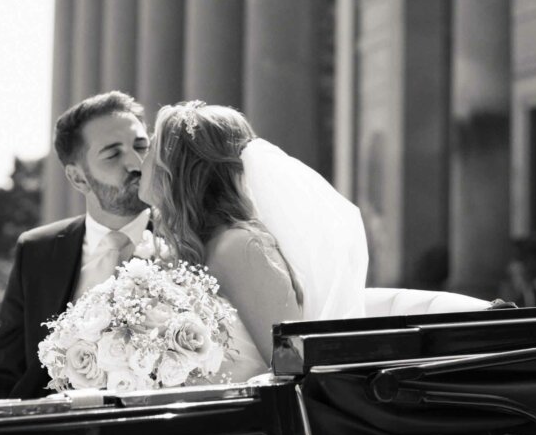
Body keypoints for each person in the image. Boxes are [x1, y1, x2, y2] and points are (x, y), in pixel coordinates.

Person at [138, 102, 368, 381]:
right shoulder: (190, 246)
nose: (141, 159)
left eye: (150, 147)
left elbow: (292, 363)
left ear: (176, 166)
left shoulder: (238, 247)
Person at [0, 91, 151, 401]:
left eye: (141, 146)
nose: (136, 164)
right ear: (78, 178)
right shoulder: (36, 251)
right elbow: (6, 371)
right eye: (112, 154)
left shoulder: (189, 238)